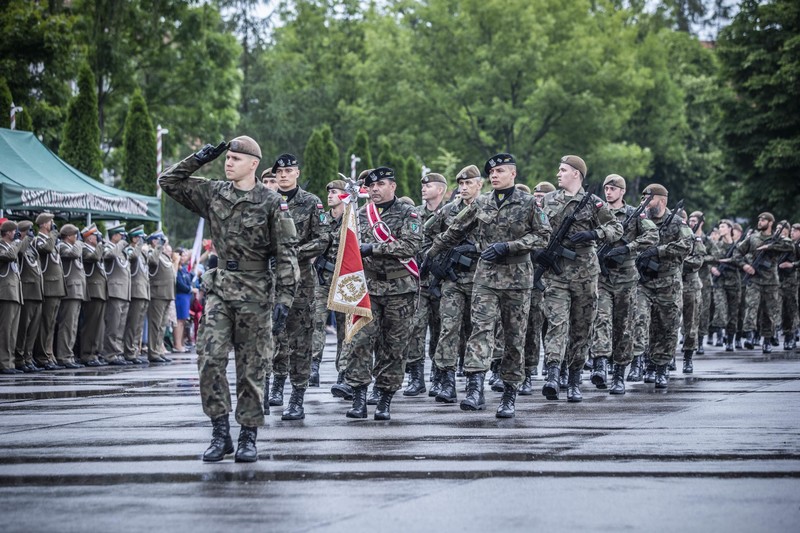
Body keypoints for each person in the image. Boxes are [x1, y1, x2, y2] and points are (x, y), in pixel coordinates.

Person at [159, 136, 298, 463]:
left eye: (236, 158)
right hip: (220, 289)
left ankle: (248, 434)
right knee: (209, 359)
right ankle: (221, 432)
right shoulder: (214, 193)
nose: (229, 162)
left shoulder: (271, 202)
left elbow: (287, 252)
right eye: (228, 157)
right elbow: (168, 181)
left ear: (254, 164)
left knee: (252, 366)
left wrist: (285, 298)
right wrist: (198, 158)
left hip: (256, 291)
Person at [426, 154, 551, 417]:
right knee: (480, 331)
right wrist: (430, 255)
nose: (494, 175)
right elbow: (455, 229)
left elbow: (543, 236)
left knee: (514, 337)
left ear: (513, 174)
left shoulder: (528, 203)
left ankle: (509, 394)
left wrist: (510, 246)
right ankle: (475, 388)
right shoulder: (481, 202)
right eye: (491, 171)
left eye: (500, 171)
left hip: (517, 279)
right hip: (485, 278)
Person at [539, 156, 623, 402]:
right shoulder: (547, 200)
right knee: (556, 324)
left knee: (581, 327)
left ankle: (574, 378)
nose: (558, 174)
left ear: (576, 174)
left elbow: (616, 229)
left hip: (585, 273)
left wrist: (594, 233)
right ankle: (553, 374)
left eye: (563, 170)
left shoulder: (594, 203)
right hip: (555, 274)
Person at [341, 166, 422, 420]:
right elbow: (344, 244)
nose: (374, 189)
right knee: (359, 343)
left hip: (400, 290)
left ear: (392, 187)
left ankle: (385, 398)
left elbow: (411, 245)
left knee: (394, 347)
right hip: (368, 289)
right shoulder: (361, 214)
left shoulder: (409, 213)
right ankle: (358, 398)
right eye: (371, 186)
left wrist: (373, 248)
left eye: (380, 185)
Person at [266, 153, 329, 421]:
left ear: (297, 173)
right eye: (279, 171)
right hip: (268, 280)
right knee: (271, 337)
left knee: (301, 339)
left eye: (288, 171)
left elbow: (323, 239)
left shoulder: (311, 203)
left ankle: (297, 397)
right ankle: (272, 387)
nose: (282, 175)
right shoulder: (264, 201)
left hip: (300, 280)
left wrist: (292, 252)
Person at [590, 174, 658, 395]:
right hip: (602, 276)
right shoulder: (597, 212)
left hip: (626, 278)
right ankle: (600, 364)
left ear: (622, 192)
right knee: (601, 319)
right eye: (606, 188)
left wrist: (629, 248)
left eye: (612, 188)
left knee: (624, 327)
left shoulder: (634, 214)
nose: (608, 192)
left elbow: (653, 235)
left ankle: (619, 373)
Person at [424, 165, 484, 403]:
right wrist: (435, 260)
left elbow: (501, 237)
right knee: (449, 329)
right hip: (453, 279)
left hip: (482, 279)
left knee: (476, 332)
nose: (464, 188)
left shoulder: (488, 208)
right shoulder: (448, 210)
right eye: (461, 184)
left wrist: (476, 248)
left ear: (480, 184)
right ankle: (446, 382)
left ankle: (473, 385)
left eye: (469, 183)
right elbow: (426, 234)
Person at [633, 184, 693, 388]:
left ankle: (660, 367)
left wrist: (659, 251)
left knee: (666, 327)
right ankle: (640, 361)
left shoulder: (677, 222)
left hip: (668, 283)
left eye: (649, 199)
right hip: (643, 282)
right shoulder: (640, 220)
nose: (644, 203)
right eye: (643, 199)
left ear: (662, 200)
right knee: (640, 319)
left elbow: (687, 245)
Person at [404, 172, 448, 397]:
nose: (423, 188)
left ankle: (440, 376)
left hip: (444, 283)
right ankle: (416, 377)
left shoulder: (452, 213)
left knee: (442, 331)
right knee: (415, 329)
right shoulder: (415, 214)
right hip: (419, 283)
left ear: (440, 190)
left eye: (428, 185)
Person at [519, 181, 557, 394]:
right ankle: (528, 370)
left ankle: (555, 369)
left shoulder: (556, 216)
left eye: (542, 196)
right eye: (536, 195)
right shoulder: (529, 214)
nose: (538, 199)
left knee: (553, 327)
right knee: (531, 327)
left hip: (554, 280)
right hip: (531, 279)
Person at [736, 213, 794, 353]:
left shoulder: (778, 239)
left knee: (769, 312)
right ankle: (749, 335)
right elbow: (738, 253)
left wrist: (770, 247)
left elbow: (790, 246)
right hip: (754, 279)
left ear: (770, 223)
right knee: (751, 307)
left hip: (771, 282)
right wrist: (745, 266)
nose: (760, 222)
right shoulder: (753, 238)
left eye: (763, 220)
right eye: (759, 220)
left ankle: (767, 340)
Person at [311, 180, 346, 393]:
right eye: (329, 192)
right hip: (322, 277)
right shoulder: (322, 218)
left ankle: (343, 371)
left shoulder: (352, 219)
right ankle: (313, 367)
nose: (330, 195)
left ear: (344, 196)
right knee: (316, 321)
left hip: (344, 280)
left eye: (334, 192)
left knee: (344, 328)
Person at [32, 213, 66, 370]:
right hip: (49, 288)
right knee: (45, 324)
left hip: (56, 287)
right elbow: (47, 249)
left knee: (51, 324)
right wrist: (53, 234)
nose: (53, 224)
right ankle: (42, 356)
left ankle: (49, 354)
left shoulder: (50, 239)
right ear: (45, 224)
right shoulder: (39, 240)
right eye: (51, 222)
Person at [679, 209, 706, 374]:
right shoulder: (666, 236)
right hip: (670, 285)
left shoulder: (694, 238)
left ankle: (688, 358)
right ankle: (666, 359)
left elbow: (697, 261)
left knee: (691, 325)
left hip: (691, 285)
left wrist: (675, 262)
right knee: (667, 324)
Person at [15, 220, 44, 372]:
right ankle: (19, 358)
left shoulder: (32, 247)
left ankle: (28, 356)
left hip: (37, 291)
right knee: (23, 328)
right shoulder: (20, 244)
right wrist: (23, 238)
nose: (32, 233)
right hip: (27, 292)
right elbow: (19, 253)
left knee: (33, 329)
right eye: (30, 230)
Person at [55, 224, 85, 369]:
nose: (77, 238)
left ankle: (69, 355)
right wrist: (79, 242)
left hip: (77, 291)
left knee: (73, 326)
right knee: (67, 325)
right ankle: (63, 356)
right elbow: (74, 255)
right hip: (70, 291)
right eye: (75, 235)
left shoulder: (73, 246)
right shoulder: (62, 246)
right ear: (68, 236)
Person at [102, 224, 132, 366]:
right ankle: (110, 353)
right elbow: (109, 255)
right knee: (113, 325)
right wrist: (120, 244)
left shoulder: (122, 251)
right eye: (120, 235)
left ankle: (117, 352)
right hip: (114, 291)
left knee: (120, 326)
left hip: (124, 292)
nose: (123, 238)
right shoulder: (109, 247)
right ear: (114, 236)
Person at [709, 219, 742, 351]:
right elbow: (710, 258)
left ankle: (729, 340)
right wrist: (712, 268)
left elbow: (741, 260)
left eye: (723, 227)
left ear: (729, 229)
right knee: (721, 308)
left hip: (734, 281)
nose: (720, 229)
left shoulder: (738, 245)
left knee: (733, 313)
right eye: (720, 226)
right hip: (720, 282)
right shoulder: (716, 245)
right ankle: (718, 332)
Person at [0, 220, 27, 374]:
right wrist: (17, 242)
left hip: (15, 292)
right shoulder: (3, 246)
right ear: (9, 232)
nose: (16, 234)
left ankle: (10, 362)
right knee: (5, 330)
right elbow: (10, 256)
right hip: (6, 293)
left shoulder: (12, 246)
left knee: (12, 331)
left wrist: (22, 240)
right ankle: (4, 363)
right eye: (14, 231)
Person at [79, 224, 108, 367]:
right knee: (91, 325)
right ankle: (87, 353)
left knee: (98, 326)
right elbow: (95, 258)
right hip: (93, 291)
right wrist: (101, 245)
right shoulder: (85, 249)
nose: (99, 239)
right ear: (90, 238)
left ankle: (95, 352)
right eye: (97, 237)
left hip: (101, 291)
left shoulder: (95, 249)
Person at [122, 225, 150, 364]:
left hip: (143, 291)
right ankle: (129, 351)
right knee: (132, 324)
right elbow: (132, 257)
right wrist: (138, 245)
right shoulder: (130, 249)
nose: (142, 240)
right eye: (140, 237)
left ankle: (135, 350)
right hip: (135, 291)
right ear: (134, 238)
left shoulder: (142, 252)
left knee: (138, 325)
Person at [145, 232, 174, 364]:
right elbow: (152, 262)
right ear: (153, 241)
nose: (163, 242)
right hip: (157, 293)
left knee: (162, 325)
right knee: (155, 325)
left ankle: (158, 350)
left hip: (167, 293)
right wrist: (158, 247)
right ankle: (153, 352)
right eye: (159, 240)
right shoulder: (151, 252)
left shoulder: (164, 255)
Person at [778, 222, 798, 350]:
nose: (792, 233)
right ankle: (779, 333)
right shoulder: (780, 245)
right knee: (779, 309)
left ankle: (790, 335)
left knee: (790, 309)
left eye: (795, 231)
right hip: (778, 280)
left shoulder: (794, 246)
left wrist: (793, 265)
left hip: (791, 281)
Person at [173, 247, 192, 353]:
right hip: (179, 296)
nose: (184, 257)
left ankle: (181, 343)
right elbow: (179, 283)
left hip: (185, 297)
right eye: (182, 255)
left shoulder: (183, 268)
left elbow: (188, 280)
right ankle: (177, 344)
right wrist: (189, 289)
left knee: (183, 321)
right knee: (179, 321)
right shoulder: (176, 268)